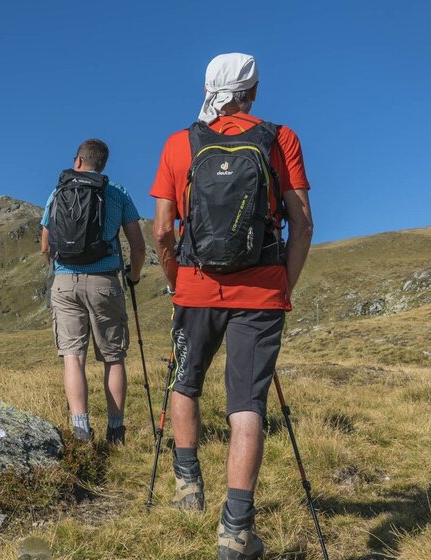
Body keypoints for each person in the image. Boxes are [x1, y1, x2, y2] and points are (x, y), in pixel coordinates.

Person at [150, 53, 314, 560]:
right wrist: (279, 283)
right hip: (261, 291)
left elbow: (161, 232)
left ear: (209, 89)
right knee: (247, 403)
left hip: (195, 288)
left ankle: (187, 486)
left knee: (185, 380)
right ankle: (236, 531)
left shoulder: (180, 144)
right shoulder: (279, 138)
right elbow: (302, 222)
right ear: (254, 92)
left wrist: (182, 282)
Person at [41, 138, 147, 444]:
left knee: (73, 357)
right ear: (102, 164)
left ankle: (80, 429)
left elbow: (45, 245)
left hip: (65, 281)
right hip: (105, 281)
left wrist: (57, 270)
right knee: (113, 358)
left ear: (77, 161)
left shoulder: (58, 192)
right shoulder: (117, 193)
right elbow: (138, 247)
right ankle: (116, 430)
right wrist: (134, 277)